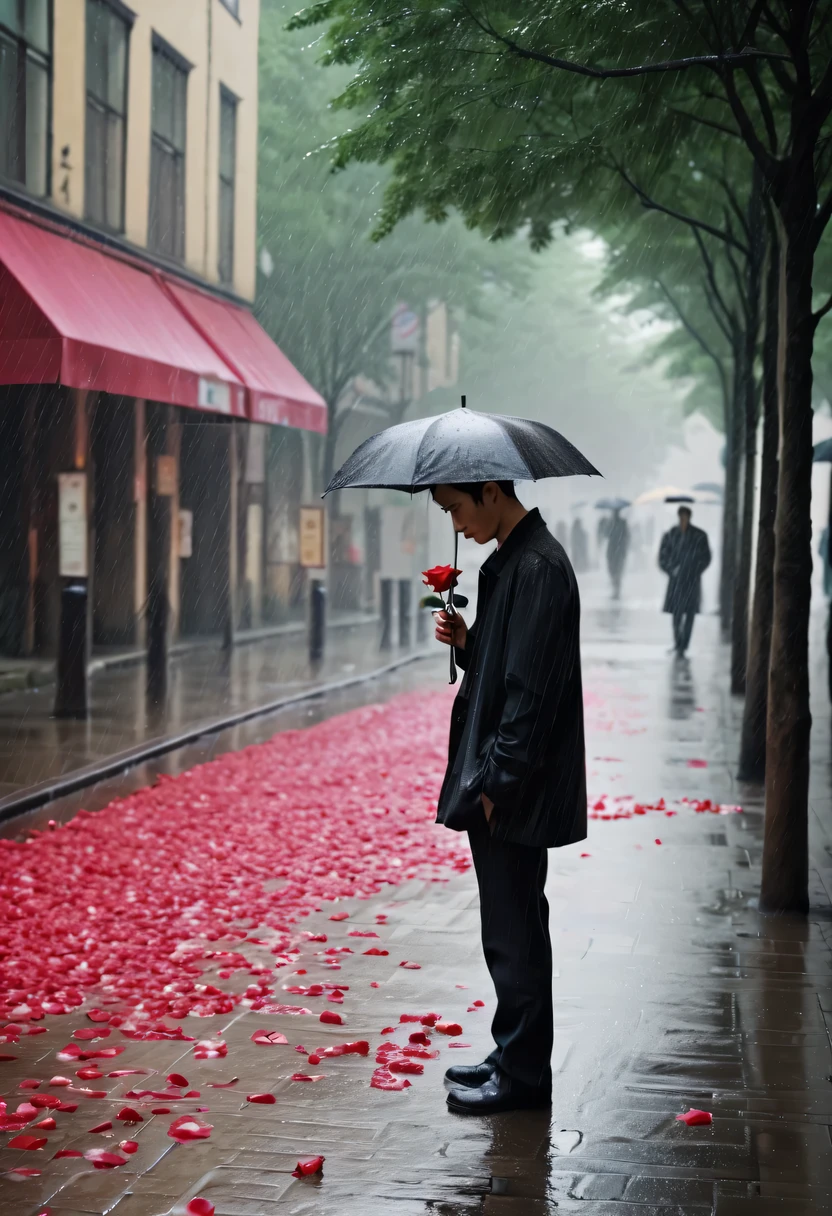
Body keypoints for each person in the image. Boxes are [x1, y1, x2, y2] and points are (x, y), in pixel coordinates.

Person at [431, 480, 587, 1115]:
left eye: (457, 508)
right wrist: (470, 644)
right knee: (509, 924)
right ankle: (511, 1053)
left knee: (517, 927)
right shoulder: (520, 563)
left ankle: (522, 1077)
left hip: (514, 789)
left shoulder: (538, 568)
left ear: (492, 492)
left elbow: (530, 693)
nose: (456, 524)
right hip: (508, 782)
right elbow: (509, 667)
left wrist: (497, 784)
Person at [659, 506, 711, 656]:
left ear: (689, 517)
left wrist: (695, 570)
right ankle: (678, 643)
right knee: (676, 613)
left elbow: (706, 557)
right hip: (676, 581)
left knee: (689, 614)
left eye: (685, 516)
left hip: (691, 581)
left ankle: (684, 644)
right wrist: (671, 569)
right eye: (681, 516)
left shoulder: (699, 535)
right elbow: (663, 557)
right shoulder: (670, 535)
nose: (683, 519)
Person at [606, 508, 630, 598]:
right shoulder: (613, 523)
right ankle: (616, 588)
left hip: (617, 550)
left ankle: (616, 589)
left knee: (616, 569)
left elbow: (627, 536)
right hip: (615, 551)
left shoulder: (621, 523)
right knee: (614, 570)